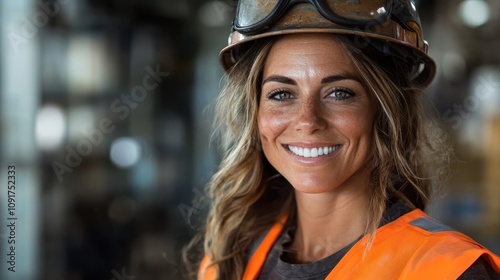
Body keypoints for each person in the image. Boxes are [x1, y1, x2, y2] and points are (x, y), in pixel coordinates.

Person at [187, 0, 500, 279]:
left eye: (339, 93)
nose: (307, 121)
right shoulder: (229, 260)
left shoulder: (449, 270)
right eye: (281, 94)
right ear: (255, 114)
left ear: (387, 109)